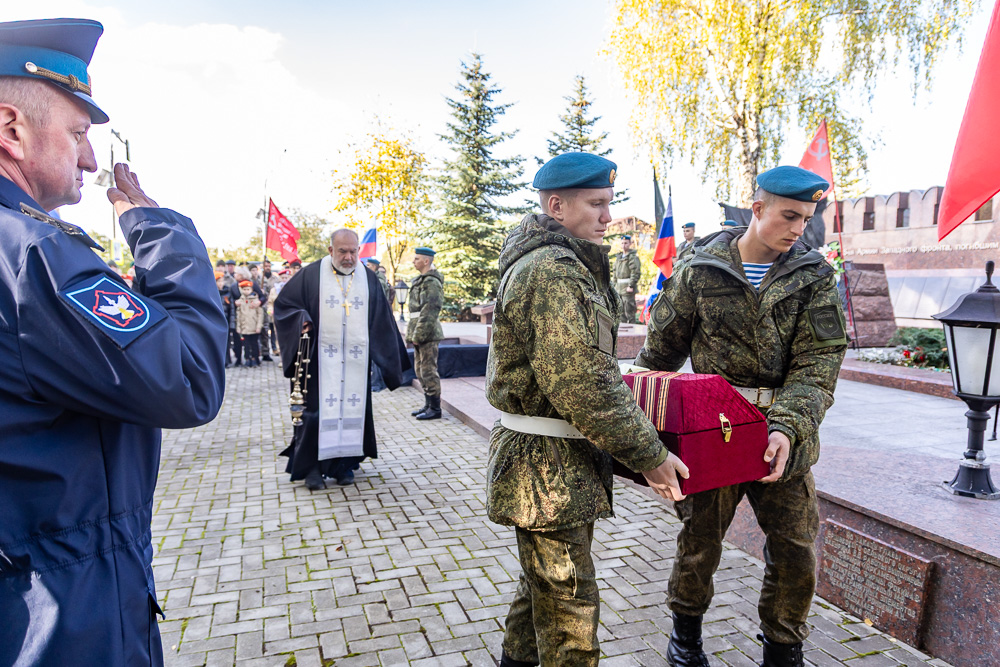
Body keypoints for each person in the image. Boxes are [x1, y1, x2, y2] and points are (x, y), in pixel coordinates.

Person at [0, 18, 227, 667]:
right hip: (58, 611)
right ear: (12, 128)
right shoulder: (34, 257)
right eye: (77, 133)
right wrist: (161, 235)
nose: (91, 159)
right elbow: (188, 379)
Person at [635, 166, 848, 667]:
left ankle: (783, 648)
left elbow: (817, 365)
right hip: (714, 432)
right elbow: (658, 356)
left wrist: (788, 428)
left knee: (795, 547)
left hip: (782, 435)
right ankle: (685, 638)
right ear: (757, 210)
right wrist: (647, 441)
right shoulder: (700, 268)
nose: (799, 228)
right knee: (699, 542)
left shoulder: (813, 275)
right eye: (789, 215)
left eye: (807, 218)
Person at [486, 152, 689, 667]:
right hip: (546, 468)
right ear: (556, 206)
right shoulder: (552, 272)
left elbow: (584, 370)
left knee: (542, 591)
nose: (607, 216)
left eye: (608, 204)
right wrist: (649, 453)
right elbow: (580, 381)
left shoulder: (561, 264)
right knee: (570, 612)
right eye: (597, 204)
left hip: (554, 460)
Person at [274, 229, 410, 490]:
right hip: (318, 363)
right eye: (342, 251)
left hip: (355, 365)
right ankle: (312, 469)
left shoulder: (368, 279)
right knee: (315, 414)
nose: (348, 257)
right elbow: (285, 305)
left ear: (359, 250)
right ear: (330, 250)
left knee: (351, 411)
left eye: (353, 251)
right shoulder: (311, 275)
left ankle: (343, 465)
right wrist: (302, 320)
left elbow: (381, 320)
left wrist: (392, 362)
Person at [406, 247, 445, 420]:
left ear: (426, 261)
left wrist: (419, 334)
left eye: (416, 259)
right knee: (420, 370)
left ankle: (435, 409)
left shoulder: (431, 282)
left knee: (428, 370)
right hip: (419, 331)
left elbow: (430, 310)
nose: (413, 261)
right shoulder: (422, 280)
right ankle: (428, 404)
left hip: (427, 333)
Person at [613, 233, 642, 323]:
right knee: (620, 311)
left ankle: (632, 332)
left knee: (629, 310)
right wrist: (614, 286)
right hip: (618, 288)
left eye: (626, 243)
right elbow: (615, 273)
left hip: (627, 288)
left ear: (630, 244)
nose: (623, 245)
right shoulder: (618, 258)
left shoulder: (632, 257)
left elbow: (635, 272)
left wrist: (631, 285)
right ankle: (623, 332)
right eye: (622, 243)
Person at [235, 279, 264, 367]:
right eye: (244, 289)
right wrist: (238, 327)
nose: (246, 291)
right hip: (244, 327)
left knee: (254, 344)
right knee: (246, 345)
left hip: (254, 327)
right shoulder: (240, 301)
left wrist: (259, 326)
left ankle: (255, 358)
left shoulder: (256, 301)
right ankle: (247, 359)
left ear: (251, 290)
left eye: (248, 289)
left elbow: (260, 315)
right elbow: (238, 315)